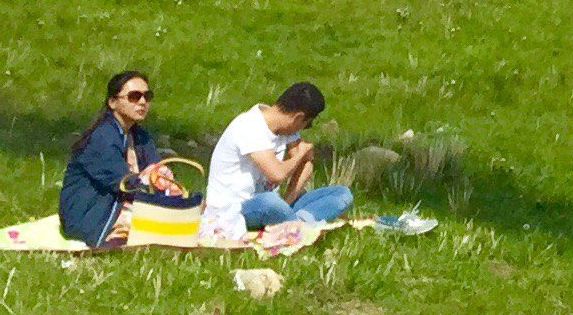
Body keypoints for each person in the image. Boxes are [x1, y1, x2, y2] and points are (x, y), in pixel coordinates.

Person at [59, 69, 192, 250]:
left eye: (147, 96)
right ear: (113, 102)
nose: (142, 102)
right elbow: (122, 183)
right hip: (93, 213)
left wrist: (163, 178)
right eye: (134, 96)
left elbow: (153, 170)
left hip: (124, 203)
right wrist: (148, 180)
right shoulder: (101, 137)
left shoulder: (140, 136)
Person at [201, 80, 353, 239]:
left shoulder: (285, 131)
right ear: (298, 118)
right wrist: (301, 154)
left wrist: (288, 199)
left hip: (274, 205)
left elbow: (306, 165)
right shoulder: (249, 126)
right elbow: (277, 174)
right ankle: (298, 226)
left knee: (342, 193)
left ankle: (293, 222)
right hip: (236, 209)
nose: (302, 130)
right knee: (270, 202)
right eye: (306, 124)